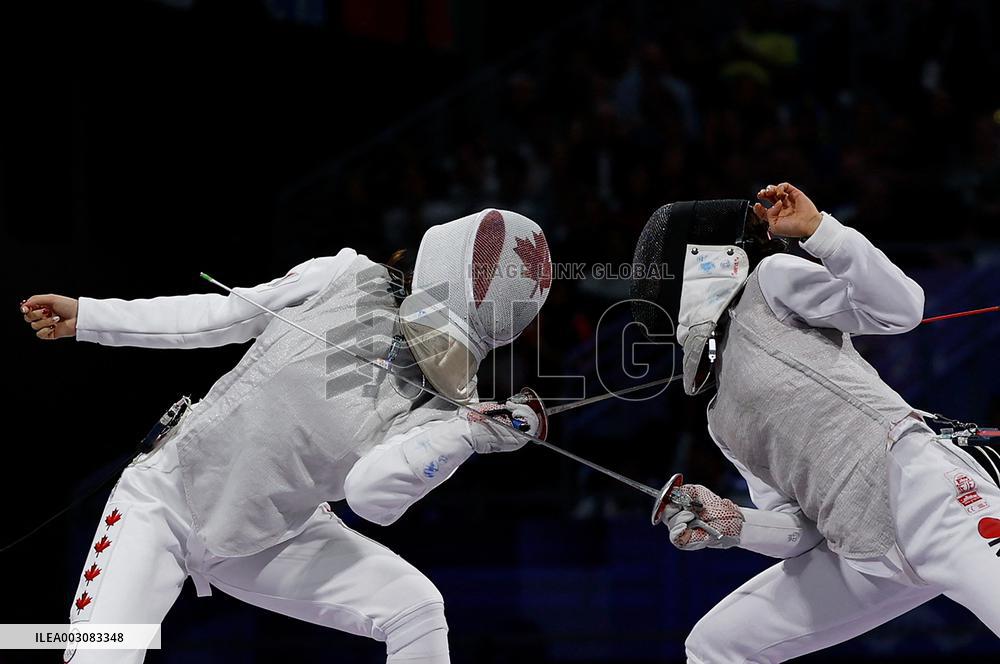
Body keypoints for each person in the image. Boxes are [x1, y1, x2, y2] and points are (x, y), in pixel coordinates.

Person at [21, 208, 552, 664]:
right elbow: (218, 316)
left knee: (415, 608)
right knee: (101, 651)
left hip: (273, 538)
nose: (438, 351)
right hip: (167, 500)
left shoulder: (453, 404)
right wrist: (89, 316)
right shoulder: (346, 276)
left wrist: (464, 434)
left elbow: (371, 495)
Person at [630, 184, 1000, 662]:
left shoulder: (769, 284)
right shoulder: (721, 421)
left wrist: (821, 232)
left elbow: (902, 309)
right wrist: (733, 522)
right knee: (717, 645)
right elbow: (800, 531)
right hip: (865, 556)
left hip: (930, 500)